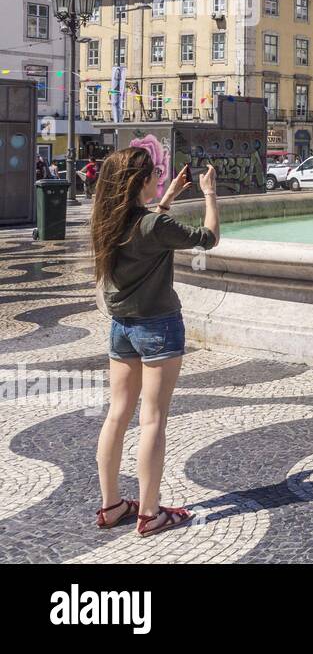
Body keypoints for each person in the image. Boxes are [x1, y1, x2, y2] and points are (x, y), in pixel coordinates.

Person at [91, 149, 220, 536]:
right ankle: (150, 512)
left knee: (117, 414)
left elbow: (144, 226)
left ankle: (111, 505)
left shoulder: (107, 221)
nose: (157, 180)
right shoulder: (152, 225)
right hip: (158, 327)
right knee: (153, 419)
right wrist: (210, 194)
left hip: (122, 328)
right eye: (154, 176)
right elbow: (208, 238)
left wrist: (168, 198)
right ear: (140, 182)